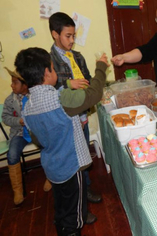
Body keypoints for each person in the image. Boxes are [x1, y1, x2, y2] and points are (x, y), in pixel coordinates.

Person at [14, 47, 109, 236]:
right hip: (72, 167)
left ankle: (63, 228)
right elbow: (94, 95)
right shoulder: (61, 99)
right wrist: (101, 67)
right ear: (47, 73)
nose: (55, 71)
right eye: (53, 68)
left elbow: (37, 139)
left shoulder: (28, 106)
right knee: (75, 216)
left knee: (63, 208)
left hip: (53, 167)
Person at [48, 12, 102, 223]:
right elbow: (50, 90)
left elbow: (87, 78)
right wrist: (69, 84)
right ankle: (79, 207)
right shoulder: (48, 61)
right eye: (68, 36)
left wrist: (88, 84)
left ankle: (85, 190)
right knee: (72, 162)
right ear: (55, 34)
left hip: (82, 115)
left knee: (84, 156)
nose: (72, 40)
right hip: (65, 119)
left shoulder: (77, 57)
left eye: (73, 36)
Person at [2, 67, 51, 206]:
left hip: (36, 131)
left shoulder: (35, 96)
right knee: (12, 154)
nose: (11, 85)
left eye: (15, 83)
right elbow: (5, 117)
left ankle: (50, 177)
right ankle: (17, 191)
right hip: (19, 134)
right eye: (11, 83)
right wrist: (19, 121)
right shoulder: (10, 100)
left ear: (24, 85)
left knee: (47, 147)